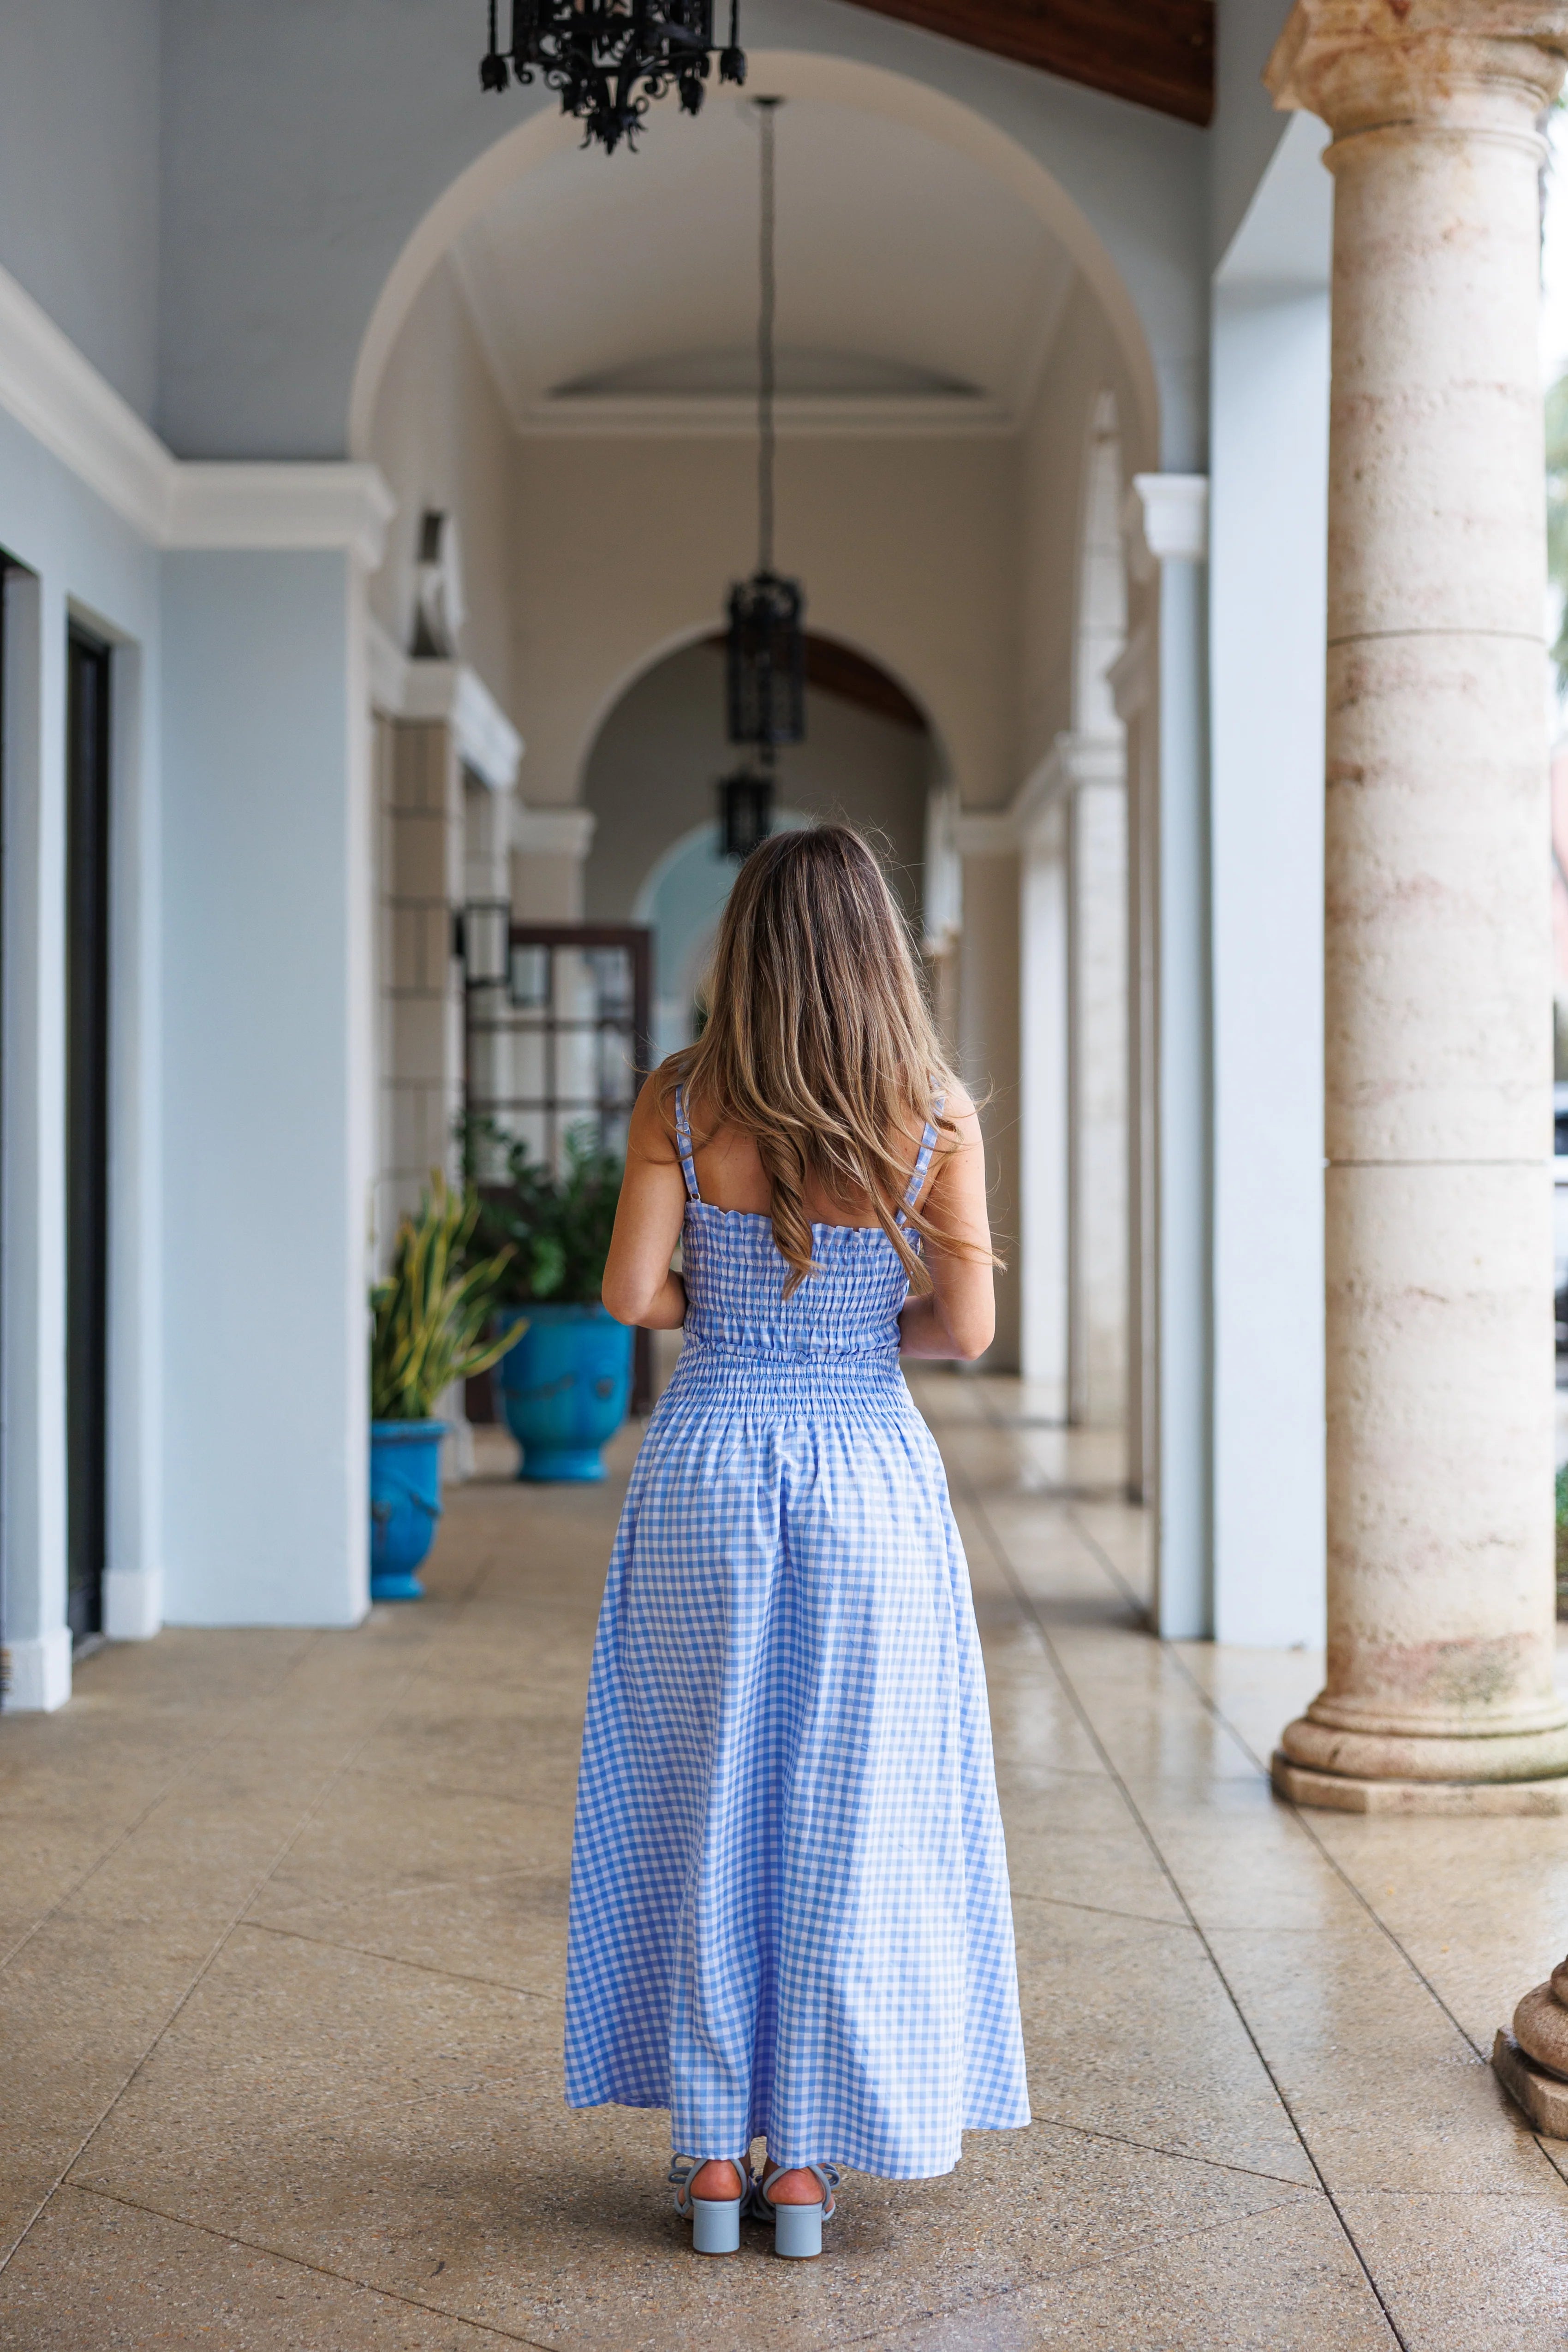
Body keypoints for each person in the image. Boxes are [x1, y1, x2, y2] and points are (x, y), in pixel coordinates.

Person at [563, 824, 1030, 2260]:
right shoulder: (933, 1113)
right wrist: (843, 1343)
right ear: (881, 951)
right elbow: (967, 1328)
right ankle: (810, 2170)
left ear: (745, 945)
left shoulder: (684, 1096)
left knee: (698, 1790)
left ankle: (713, 2161)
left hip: (707, 1461)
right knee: (853, 1814)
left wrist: (743, 1326)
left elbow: (632, 1290)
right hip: (869, 1477)